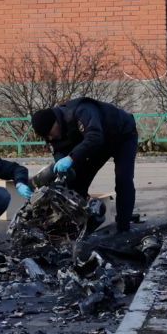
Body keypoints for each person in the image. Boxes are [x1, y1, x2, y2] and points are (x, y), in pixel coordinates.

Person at [31, 98, 138, 233]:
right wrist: (66, 172)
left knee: (123, 179)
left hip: (122, 134)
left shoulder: (81, 110)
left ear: (56, 122)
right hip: (99, 145)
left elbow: (94, 136)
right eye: (46, 137)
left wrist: (71, 158)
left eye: (50, 133)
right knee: (77, 182)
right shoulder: (53, 135)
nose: (50, 138)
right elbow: (59, 151)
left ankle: (123, 227)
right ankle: (81, 227)